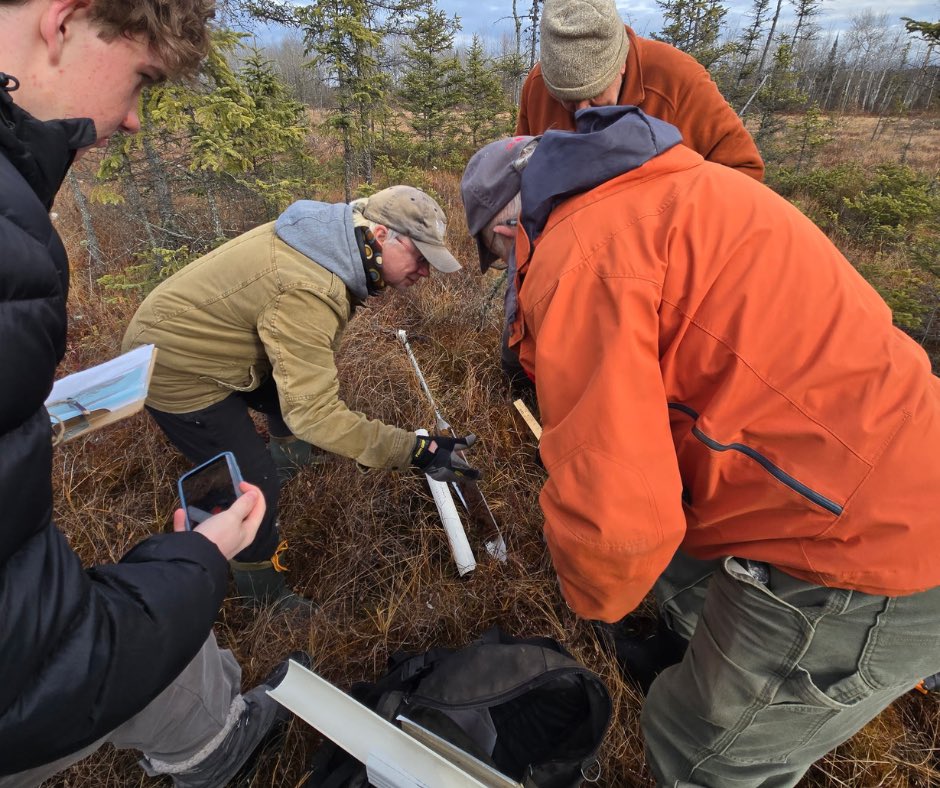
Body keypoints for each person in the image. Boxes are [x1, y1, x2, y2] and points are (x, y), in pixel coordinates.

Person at [460, 113, 940, 787]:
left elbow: (619, 521)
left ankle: (703, 683)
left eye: (498, 253)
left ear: (511, 228)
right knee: (681, 553)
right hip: (887, 458)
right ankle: (689, 640)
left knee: (697, 745)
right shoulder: (674, 184)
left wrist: (582, 593)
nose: (510, 271)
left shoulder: (581, 253)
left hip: (867, 542)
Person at [0, 0, 307, 785]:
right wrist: (194, 562)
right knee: (176, 643)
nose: (134, 120)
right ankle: (219, 746)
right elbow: (36, 667)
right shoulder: (12, 245)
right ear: (62, 22)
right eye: (140, 78)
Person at [122, 186, 479, 610]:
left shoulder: (334, 237)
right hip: (173, 366)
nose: (425, 272)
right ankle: (260, 596)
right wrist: (415, 450)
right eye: (420, 259)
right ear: (381, 235)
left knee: (289, 392)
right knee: (251, 483)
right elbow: (314, 415)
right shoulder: (308, 288)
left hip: (206, 343)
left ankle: (291, 460)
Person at [516, 0, 764, 181]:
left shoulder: (678, 81)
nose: (581, 113)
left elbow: (744, 171)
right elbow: (522, 172)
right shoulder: (536, 87)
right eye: (567, 100)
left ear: (621, 63)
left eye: (594, 95)